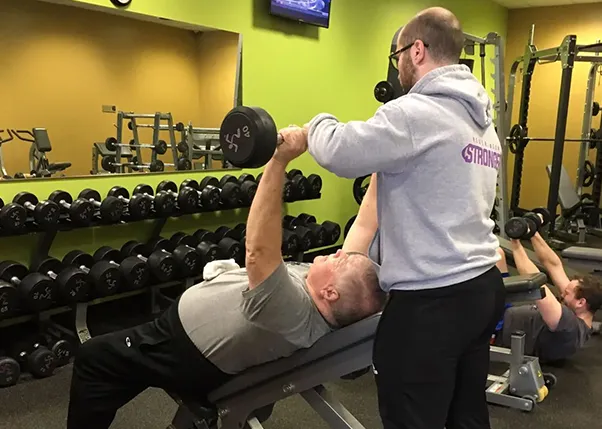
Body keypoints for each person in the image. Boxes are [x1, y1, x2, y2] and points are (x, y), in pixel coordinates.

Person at [66, 129, 386, 429]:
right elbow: (365, 221)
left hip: (181, 351)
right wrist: (382, 161)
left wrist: (280, 160)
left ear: (330, 294)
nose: (340, 253)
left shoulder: (293, 312)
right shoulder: (334, 292)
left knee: (95, 359)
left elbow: (259, 250)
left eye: (342, 261)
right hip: (190, 340)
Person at [284, 6, 506, 429]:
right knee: (467, 415)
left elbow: (342, 150)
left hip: (432, 302)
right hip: (481, 288)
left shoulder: (415, 112)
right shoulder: (482, 123)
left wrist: (313, 126)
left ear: (417, 50)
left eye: (399, 55)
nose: (398, 66)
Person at [495, 234, 602, 362]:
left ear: (581, 302)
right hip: (504, 310)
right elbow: (554, 265)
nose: (562, 294)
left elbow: (533, 280)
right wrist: (533, 233)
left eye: (566, 293)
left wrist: (515, 243)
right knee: (498, 254)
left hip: (496, 327)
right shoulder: (577, 309)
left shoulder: (569, 326)